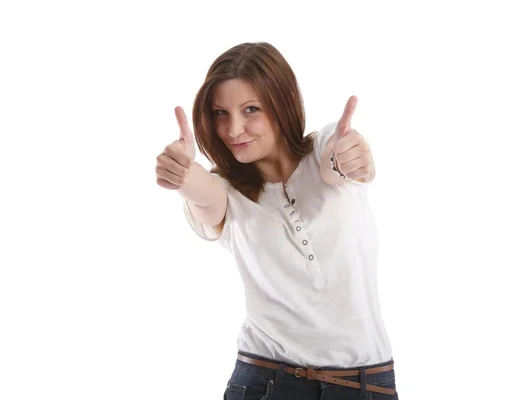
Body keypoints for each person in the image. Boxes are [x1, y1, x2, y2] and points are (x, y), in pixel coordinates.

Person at [155, 41, 398, 399]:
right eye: (221, 113)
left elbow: (339, 158)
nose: (233, 129)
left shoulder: (322, 151)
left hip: (367, 386)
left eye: (250, 109)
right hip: (269, 382)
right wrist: (183, 174)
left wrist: (349, 158)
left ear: (282, 104)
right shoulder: (228, 192)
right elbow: (204, 194)